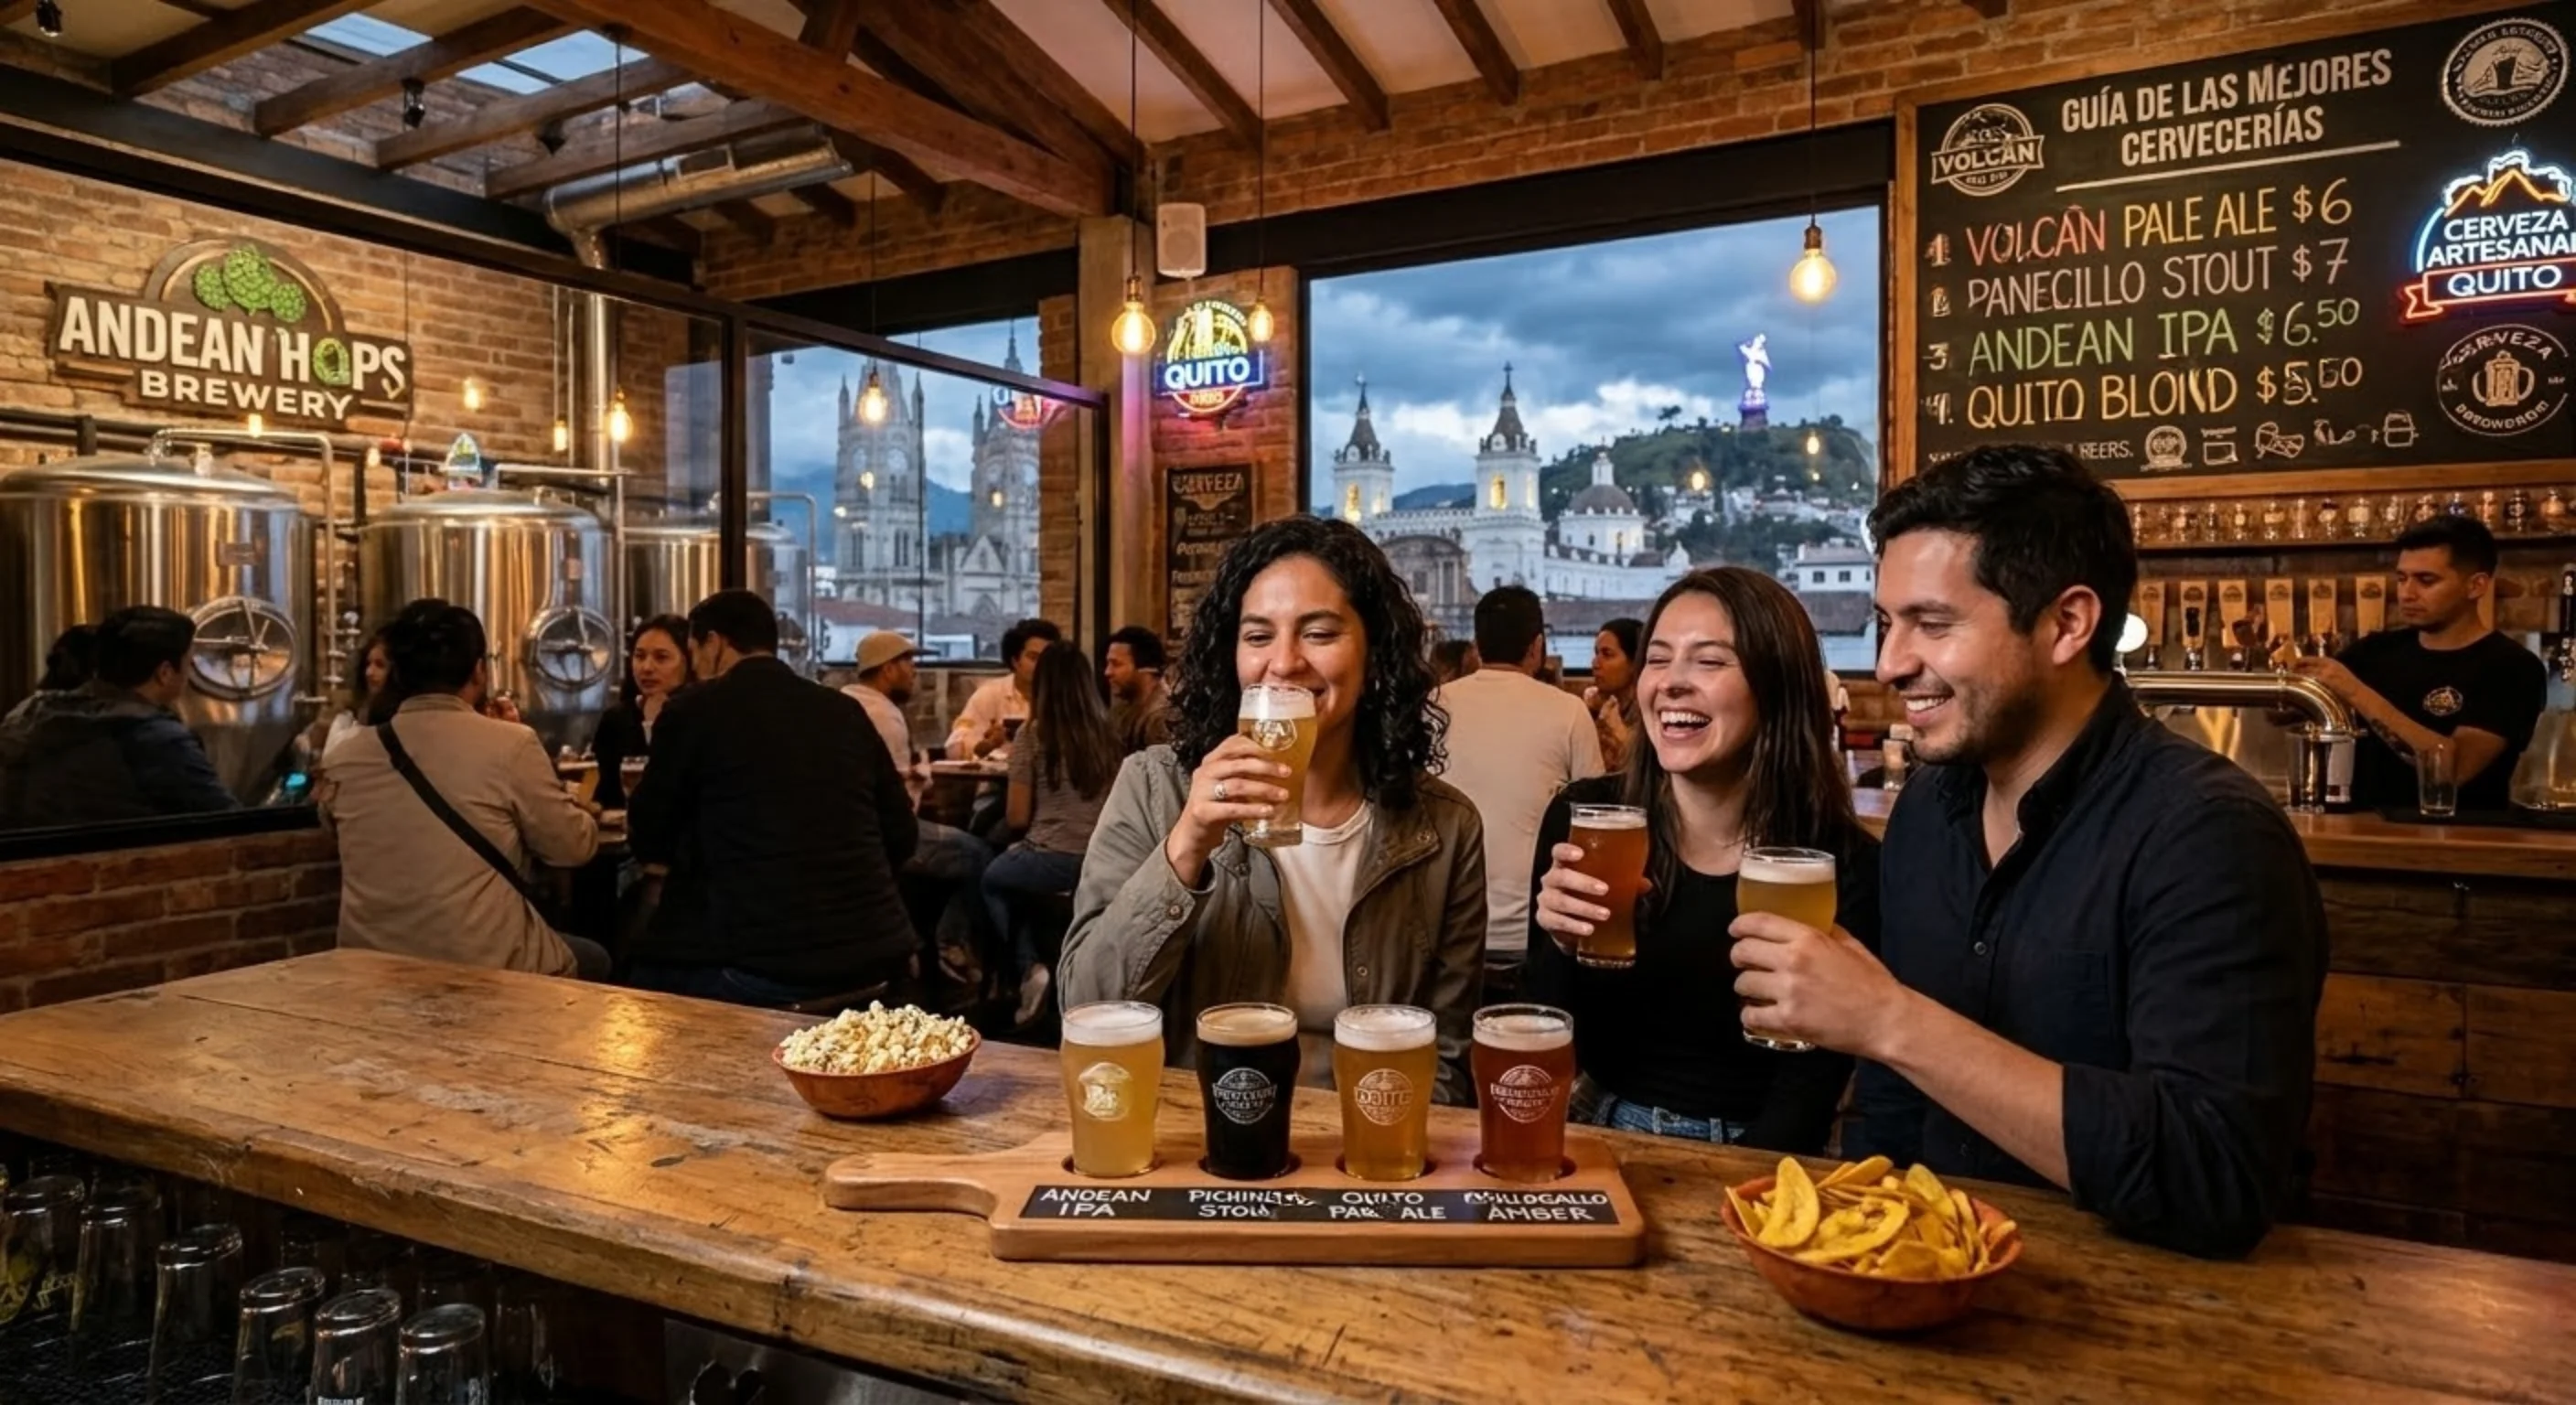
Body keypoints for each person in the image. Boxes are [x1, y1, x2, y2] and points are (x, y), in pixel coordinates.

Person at [1730, 445, 2326, 1259]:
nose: (1891, 663)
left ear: (2067, 623)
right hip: (1925, 1281)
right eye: (1886, 623)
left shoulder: (2209, 836)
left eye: (1932, 625)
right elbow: (1897, 1114)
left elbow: (2213, 1176)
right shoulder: (1927, 816)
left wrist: (1888, 1021)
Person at [1060, 517, 1487, 1102]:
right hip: (1200, 1134)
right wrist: (1187, 846)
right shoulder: (1154, 786)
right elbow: (1085, 1007)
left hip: (1367, 1141)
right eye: (1258, 637)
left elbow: (1446, 1053)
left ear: (1375, 653)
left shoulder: (1446, 826)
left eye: (1319, 633)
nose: (1283, 663)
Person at [1528, 569, 1876, 1153]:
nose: (1672, 684)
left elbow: (1808, 1095)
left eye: (1710, 662)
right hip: (1594, 1120)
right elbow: (1547, 1024)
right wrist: (1561, 945)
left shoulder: (1841, 863)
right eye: (1658, 659)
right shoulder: (1587, 816)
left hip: (1759, 1150)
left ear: (1777, 685)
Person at [626, 590, 920, 1007]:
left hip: (761, 969)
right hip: (879, 959)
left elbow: (650, 836)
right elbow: (902, 834)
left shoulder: (692, 712)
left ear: (715, 643)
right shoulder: (843, 711)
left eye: (693, 650)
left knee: (633, 983)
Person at [317, 599, 608, 980]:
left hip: (370, 965)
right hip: (481, 964)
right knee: (594, 958)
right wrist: (580, 812)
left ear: (398, 674)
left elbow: (332, 826)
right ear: (479, 671)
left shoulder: (344, 754)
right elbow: (570, 847)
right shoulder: (511, 744)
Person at [2292, 516, 2547, 811]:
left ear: (2476, 586)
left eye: (2426, 580)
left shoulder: (2511, 667)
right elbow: (2287, 714)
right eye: (2402, 578)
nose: (2407, 593)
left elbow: (2453, 769)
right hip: (2359, 834)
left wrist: (2354, 691)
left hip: (2459, 844)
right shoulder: (2375, 651)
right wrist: (2289, 681)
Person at [1433, 585, 1604, 1002]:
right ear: (1538, 647)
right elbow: (1598, 821)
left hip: (1442, 934)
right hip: (1535, 936)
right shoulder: (1568, 710)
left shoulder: (1431, 706)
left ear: (1475, 648)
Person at [985, 643, 1122, 1025]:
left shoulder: (1032, 734)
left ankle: (1027, 969)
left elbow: (1015, 816)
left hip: (1048, 856)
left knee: (992, 880)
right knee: (1023, 892)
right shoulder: (1108, 733)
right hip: (1099, 860)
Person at [0, 606, 238, 827]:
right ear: (165, 673)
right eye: (188, 662)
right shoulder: (157, 739)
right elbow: (229, 822)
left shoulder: (33, 711)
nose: (190, 672)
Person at [844, 628, 992, 982]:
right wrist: (919, 776)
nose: (914, 671)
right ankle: (949, 944)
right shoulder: (884, 715)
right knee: (980, 854)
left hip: (854, 832)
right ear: (886, 669)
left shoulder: (845, 701)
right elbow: (894, 797)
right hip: (885, 837)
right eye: (907, 662)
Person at [593, 615, 692, 811]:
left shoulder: (701, 716)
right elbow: (604, 794)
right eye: (639, 656)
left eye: (661, 657)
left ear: (689, 661)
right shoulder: (616, 719)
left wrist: (654, 726)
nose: (646, 668)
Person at [945, 617, 1059, 759]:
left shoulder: (1063, 696)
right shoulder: (990, 694)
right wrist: (989, 744)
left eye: (1048, 659)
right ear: (1015, 661)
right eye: (1033, 658)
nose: (1042, 665)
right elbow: (955, 746)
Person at [1102, 625, 1173, 754]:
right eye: (1108, 664)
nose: (1108, 672)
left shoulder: (1162, 719)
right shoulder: (1122, 712)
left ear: (1146, 669)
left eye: (1116, 664)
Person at [1586, 617, 1643, 768]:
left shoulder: (1650, 713)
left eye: (1607, 654)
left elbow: (1650, 771)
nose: (1595, 663)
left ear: (1635, 663)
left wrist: (1617, 730)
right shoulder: (1596, 707)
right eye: (1596, 653)